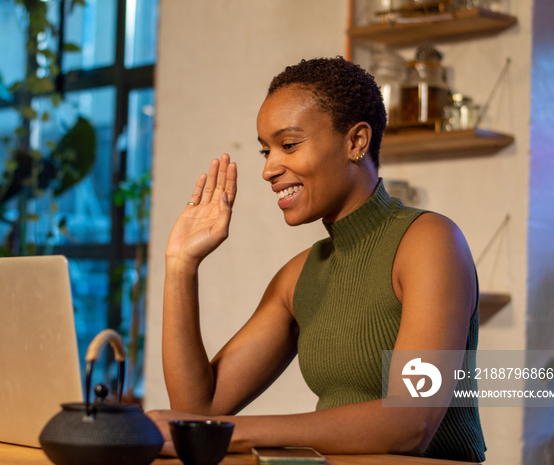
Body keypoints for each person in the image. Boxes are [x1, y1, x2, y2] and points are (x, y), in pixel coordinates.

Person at [147, 56, 486, 463]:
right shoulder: (299, 277)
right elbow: (199, 409)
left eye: (288, 145)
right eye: (265, 151)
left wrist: (230, 432)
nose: (269, 169)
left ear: (356, 142)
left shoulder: (430, 242)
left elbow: (409, 421)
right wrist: (181, 264)